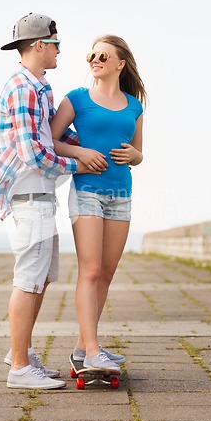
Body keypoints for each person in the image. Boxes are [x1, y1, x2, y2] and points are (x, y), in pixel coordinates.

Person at [0, 13, 96, 390]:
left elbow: (54, 135)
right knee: (28, 280)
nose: (61, 50)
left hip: (41, 196)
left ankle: (23, 353)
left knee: (41, 279)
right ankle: (18, 368)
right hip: (29, 195)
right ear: (38, 45)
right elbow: (35, 154)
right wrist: (79, 166)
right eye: (57, 44)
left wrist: (86, 147)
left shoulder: (39, 86)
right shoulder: (22, 88)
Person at [50, 35, 146, 371]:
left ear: (119, 63)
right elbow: (51, 141)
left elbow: (138, 153)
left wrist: (137, 155)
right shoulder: (76, 99)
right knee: (89, 272)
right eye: (91, 54)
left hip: (121, 195)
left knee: (106, 273)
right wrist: (80, 152)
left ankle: (82, 348)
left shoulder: (135, 106)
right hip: (87, 191)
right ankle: (92, 352)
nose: (95, 59)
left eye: (103, 55)